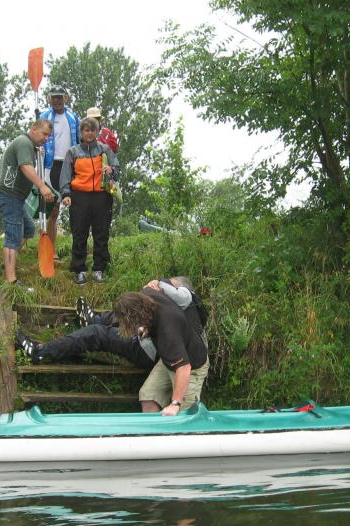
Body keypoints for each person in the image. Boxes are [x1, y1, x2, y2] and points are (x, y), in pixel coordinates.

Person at [15, 277, 203, 370]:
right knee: (129, 311)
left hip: (146, 351)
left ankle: (40, 352)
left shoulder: (185, 297)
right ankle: (93, 318)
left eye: (172, 283)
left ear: (180, 287)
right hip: (147, 341)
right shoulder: (181, 309)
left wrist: (160, 284)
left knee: (97, 333)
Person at [113, 283, 209, 417]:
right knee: (148, 397)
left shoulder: (168, 331)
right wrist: (146, 328)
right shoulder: (147, 294)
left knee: (183, 416)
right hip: (169, 360)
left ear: (136, 317)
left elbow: (184, 368)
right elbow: (151, 285)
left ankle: (181, 424)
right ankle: (154, 429)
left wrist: (175, 404)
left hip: (191, 367)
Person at [0, 119, 54, 286]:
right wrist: (42, 186)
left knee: (28, 229)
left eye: (48, 136)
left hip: (16, 198)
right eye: (44, 134)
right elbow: (26, 167)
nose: (46, 138)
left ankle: (8, 264)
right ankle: (10, 280)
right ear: (33, 128)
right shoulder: (24, 142)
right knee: (13, 237)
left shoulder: (29, 146)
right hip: (8, 195)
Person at [60, 117, 119, 285]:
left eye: (93, 130)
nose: (90, 133)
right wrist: (66, 194)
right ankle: (79, 269)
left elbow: (117, 169)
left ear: (97, 132)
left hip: (102, 195)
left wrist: (111, 169)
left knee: (101, 233)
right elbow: (65, 175)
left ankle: (100, 268)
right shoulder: (73, 151)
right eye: (86, 130)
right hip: (79, 196)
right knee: (79, 233)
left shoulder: (105, 149)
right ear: (81, 132)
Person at [38, 86, 80, 264]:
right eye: (53, 97)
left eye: (59, 97)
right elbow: (36, 138)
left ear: (65, 98)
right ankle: (50, 249)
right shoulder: (44, 116)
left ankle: (79, 249)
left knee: (75, 207)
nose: (56, 100)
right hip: (50, 165)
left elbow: (79, 140)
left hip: (69, 165)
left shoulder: (73, 117)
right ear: (49, 99)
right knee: (53, 209)